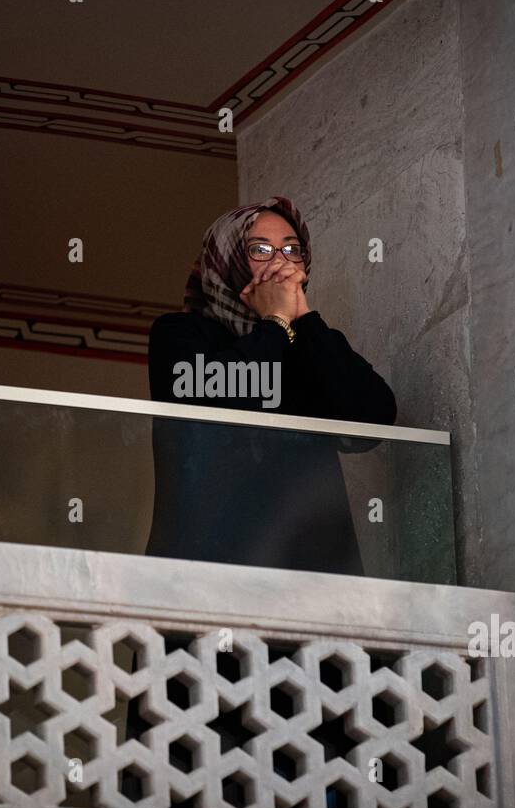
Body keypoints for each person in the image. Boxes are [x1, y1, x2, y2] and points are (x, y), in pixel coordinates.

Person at [143, 195, 396, 576]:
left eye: (293, 251)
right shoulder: (180, 334)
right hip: (208, 567)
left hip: (310, 570)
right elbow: (218, 393)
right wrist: (276, 323)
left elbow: (372, 420)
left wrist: (304, 319)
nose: (280, 262)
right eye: (259, 249)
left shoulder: (312, 344)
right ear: (225, 259)